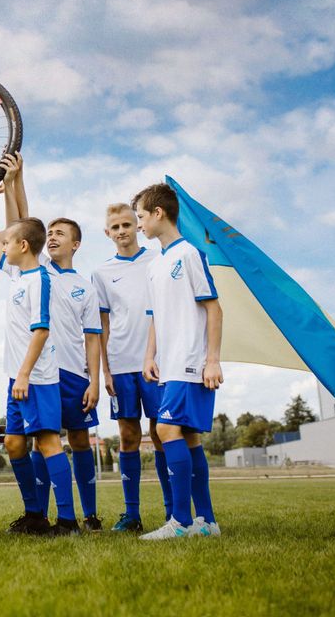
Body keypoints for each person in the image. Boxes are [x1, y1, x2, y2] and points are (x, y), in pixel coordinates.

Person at [0, 180, 80, 536]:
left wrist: (23, 375)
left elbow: (41, 331)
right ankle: (35, 515)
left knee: (48, 441)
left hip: (35, 376)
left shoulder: (40, 279)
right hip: (16, 375)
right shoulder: (15, 273)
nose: (2, 247)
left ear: (23, 246)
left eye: (10, 242)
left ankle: (67, 522)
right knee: (12, 442)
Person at [133, 183, 223, 540]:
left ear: (158, 213)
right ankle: (207, 523)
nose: (138, 224)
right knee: (187, 437)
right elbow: (156, 315)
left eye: (140, 217)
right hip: (168, 365)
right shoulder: (156, 265)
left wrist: (212, 360)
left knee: (166, 430)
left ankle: (182, 523)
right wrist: (149, 355)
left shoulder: (189, 254)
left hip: (191, 360)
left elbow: (213, 308)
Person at [91, 203, 165, 532]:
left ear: (137, 225)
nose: (121, 231)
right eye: (115, 227)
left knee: (163, 433)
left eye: (126, 225)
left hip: (157, 363)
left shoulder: (158, 259)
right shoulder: (101, 273)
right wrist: (106, 371)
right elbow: (102, 325)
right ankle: (132, 514)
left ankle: (172, 510)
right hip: (120, 364)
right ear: (107, 233)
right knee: (127, 434)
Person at [41, 217, 103, 531]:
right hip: (43, 372)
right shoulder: (39, 269)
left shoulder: (85, 287)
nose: (51, 237)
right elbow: (19, 219)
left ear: (75, 244)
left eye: (59, 234)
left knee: (79, 439)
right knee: (43, 439)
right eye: (49, 233)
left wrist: (95, 381)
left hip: (75, 374)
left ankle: (90, 514)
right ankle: (39, 514)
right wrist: (14, 181)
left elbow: (92, 337)